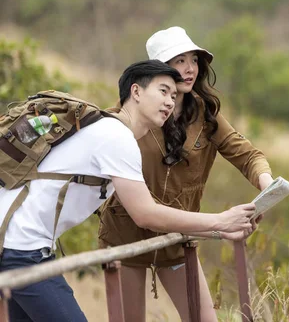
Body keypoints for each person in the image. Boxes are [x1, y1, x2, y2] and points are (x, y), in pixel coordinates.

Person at [0, 60, 257, 322]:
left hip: (15, 245)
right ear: (135, 92)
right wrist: (221, 221)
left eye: (173, 95)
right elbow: (145, 214)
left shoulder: (105, 131)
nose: (170, 101)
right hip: (22, 248)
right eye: (163, 91)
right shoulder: (116, 136)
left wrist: (219, 226)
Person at [98, 27, 274, 322]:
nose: (190, 68)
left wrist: (268, 186)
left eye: (193, 60)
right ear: (158, 70)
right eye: (179, 61)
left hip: (179, 235)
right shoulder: (124, 117)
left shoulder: (205, 114)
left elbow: (249, 156)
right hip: (125, 237)